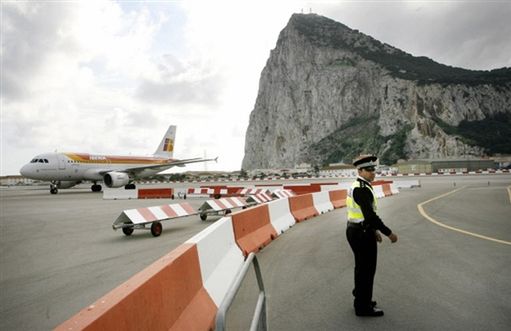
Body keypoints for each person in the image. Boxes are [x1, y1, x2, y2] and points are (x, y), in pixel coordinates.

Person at [346, 154, 398, 317]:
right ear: (360, 171)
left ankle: (362, 298)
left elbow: (364, 215)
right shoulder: (361, 189)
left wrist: (373, 231)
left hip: (358, 230)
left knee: (362, 268)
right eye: (369, 170)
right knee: (367, 270)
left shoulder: (359, 185)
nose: (373, 173)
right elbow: (370, 216)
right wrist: (388, 233)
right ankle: (363, 307)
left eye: (373, 170)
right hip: (361, 233)